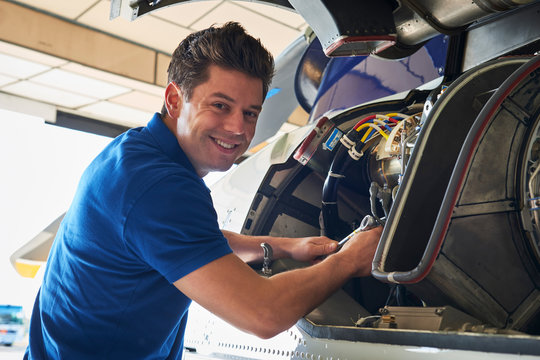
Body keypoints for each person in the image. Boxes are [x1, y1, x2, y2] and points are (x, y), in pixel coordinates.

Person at [24, 22, 381, 359]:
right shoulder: (159, 186)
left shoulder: (135, 154)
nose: (237, 128)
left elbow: (194, 240)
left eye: (251, 113)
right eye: (220, 106)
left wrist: (285, 246)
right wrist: (349, 260)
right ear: (175, 99)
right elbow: (263, 313)